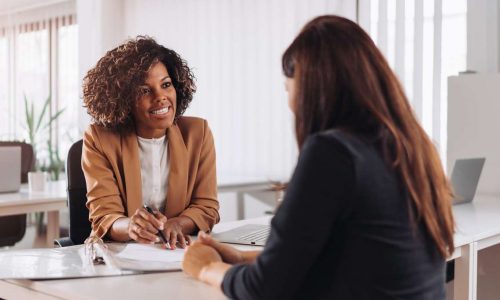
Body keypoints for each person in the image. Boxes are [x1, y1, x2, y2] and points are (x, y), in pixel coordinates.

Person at [182, 15, 455, 299]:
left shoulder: (334, 153)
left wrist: (207, 267)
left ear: (312, 88)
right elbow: (349, 257)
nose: (290, 105)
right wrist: (240, 258)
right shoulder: (417, 148)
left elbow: (265, 290)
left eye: (288, 88)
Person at [82, 36, 219, 249]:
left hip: (176, 252)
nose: (161, 97)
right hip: (118, 255)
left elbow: (206, 207)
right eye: (145, 90)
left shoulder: (197, 134)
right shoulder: (99, 139)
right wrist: (131, 226)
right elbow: (105, 216)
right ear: (124, 99)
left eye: (166, 85)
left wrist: (177, 224)